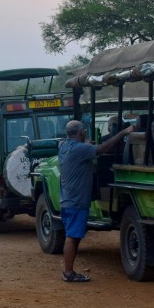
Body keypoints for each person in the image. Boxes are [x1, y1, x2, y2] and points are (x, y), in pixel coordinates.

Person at [59, 120, 133, 282]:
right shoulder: (80, 149)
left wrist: (86, 144)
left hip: (68, 200)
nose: (85, 132)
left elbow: (84, 148)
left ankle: (69, 272)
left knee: (73, 236)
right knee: (72, 236)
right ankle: (68, 273)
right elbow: (104, 148)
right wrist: (123, 133)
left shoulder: (64, 146)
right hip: (77, 201)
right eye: (84, 130)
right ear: (81, 133)